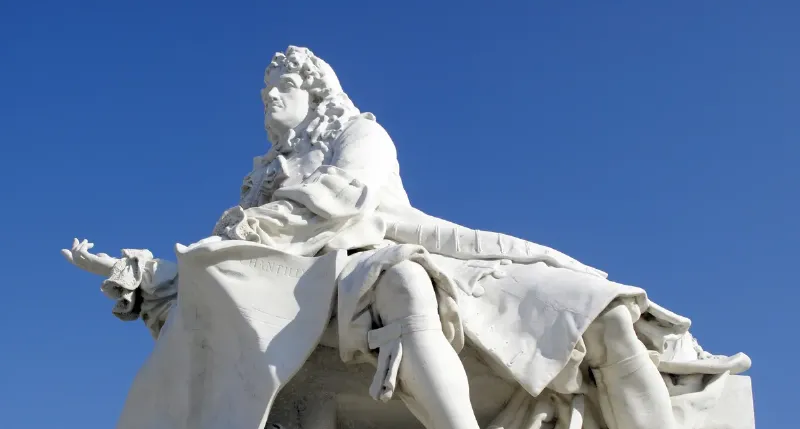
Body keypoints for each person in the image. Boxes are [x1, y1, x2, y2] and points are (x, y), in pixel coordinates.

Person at [64, 46, 750, 429]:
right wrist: (142, 275)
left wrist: (253, 226)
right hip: (340, 278)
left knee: (609, 315)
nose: (269, 98)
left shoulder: (359, 135)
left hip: (383, 243)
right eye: (265, 90)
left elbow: (343, 201)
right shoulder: (259, 185)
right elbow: (223, 267)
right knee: (401, 282)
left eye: (282, 86)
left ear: (316, 91)